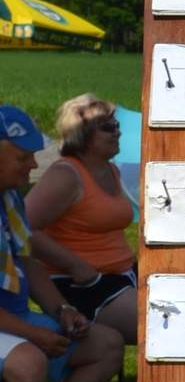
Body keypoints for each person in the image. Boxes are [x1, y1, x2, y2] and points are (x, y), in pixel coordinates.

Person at [0, 106, 124, 382]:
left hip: (12, 319)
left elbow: (26, 263)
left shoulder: (9, 198)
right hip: (11, 324)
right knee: (28, 363)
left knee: (105, 344)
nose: (34, 165)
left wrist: (62, 311)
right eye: (23, 157)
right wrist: (34, 334)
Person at [25, 95, 138, 345]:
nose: (117, 132)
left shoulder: (111, 170)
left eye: (116, 125)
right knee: (164, 327)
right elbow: (22, 228)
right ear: (81, 134)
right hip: (84, 284)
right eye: (107, 127)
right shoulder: (66, 175)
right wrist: (76, 267)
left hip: (124, 274)